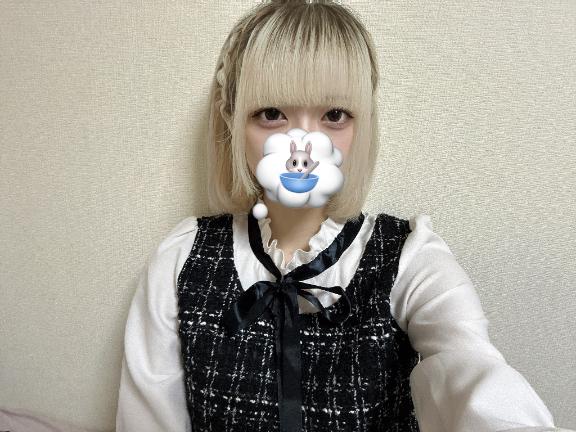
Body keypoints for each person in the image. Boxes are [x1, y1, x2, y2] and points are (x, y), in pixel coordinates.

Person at [115, 1, 561, 431]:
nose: (303, 148)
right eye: (271, 114)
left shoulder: (410, 261)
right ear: (232, 120)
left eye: (333, 115)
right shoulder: (181, 259)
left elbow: (472, 369)